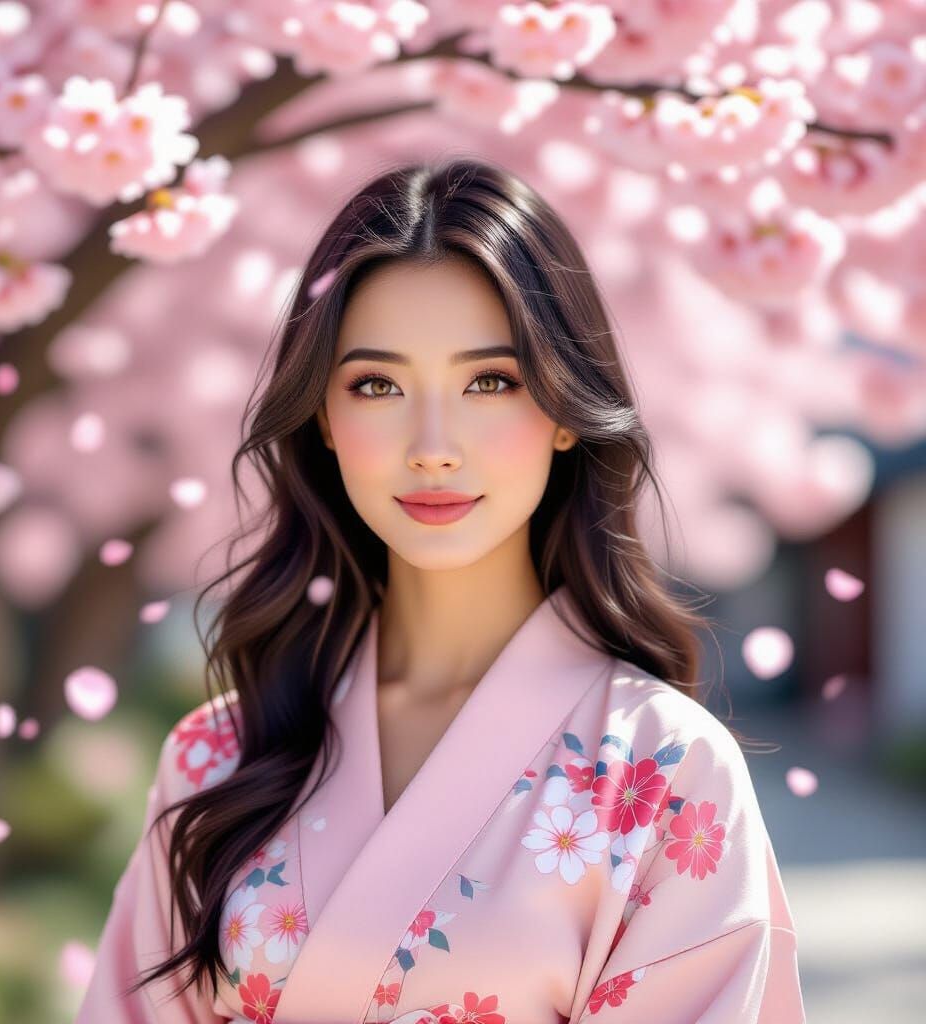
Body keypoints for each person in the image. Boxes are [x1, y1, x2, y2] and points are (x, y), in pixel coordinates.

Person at [75, 158, 806, 1023]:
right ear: (323, 418)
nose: (432, 446)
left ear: (567, 409)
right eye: (377, 385)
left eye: (490, 381)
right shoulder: (219, 754)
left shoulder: (664, 769)